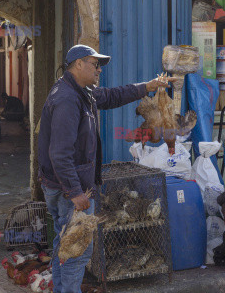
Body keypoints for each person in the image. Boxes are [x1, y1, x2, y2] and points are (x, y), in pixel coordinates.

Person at [38, 44, 171, 293]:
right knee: (78, 248)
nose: (99, 70)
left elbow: (111, 96)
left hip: (65, 185)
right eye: (94, 64)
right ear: (78, 64)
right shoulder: (67, 98)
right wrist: (76, 192)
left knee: (64, 243)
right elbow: (60, 153)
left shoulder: (81, 92)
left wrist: (148, 87)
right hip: (69, 188)